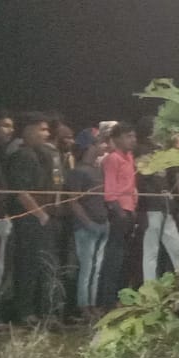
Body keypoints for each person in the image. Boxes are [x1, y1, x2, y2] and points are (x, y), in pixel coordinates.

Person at [3, 113, 63, 323]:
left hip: (44, 217)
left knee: (45, 266)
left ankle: (45, 310)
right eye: (42, 129)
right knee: (27, 265)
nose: (46, 134)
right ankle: (25, 312)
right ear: (28, 130)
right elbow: (21, 192)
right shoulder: (22, 155)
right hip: (30, 220)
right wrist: (41, 215)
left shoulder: (43, 154)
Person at [137, 122, 179, 292]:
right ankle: (150, 293)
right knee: (151, 252)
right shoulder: (141, 151)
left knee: (178, 248)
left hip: (166, 207)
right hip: (151, 207)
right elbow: (141, 179)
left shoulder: (162, 152)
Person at [66, 135, 110, 317]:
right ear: (90, 146)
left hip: (101, 223)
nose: (105, 146)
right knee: (87, 268)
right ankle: (83, 306)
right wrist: (88, 222)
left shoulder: (97, 170)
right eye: (100, 142)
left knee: (96, 268)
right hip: (86, 226)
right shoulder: (78, 171)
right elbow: (73, 201)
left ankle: (91, 305)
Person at [99, 123, 137, 306]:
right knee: (114, 257)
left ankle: (121, 297)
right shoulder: (112, 159)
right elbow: (110, 189)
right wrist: (119, 212)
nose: (133, 140)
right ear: (117, 139)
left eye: (133, 136)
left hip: (130, 210)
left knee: (125, 257)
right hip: (118, 211)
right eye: (129, 136)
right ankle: (108, 299)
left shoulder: (129, 156)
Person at [0, 111, 12, 313]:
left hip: (1, 217)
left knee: (0, 271)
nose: (10, 130)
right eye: (4, 125)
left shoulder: (2, 153)